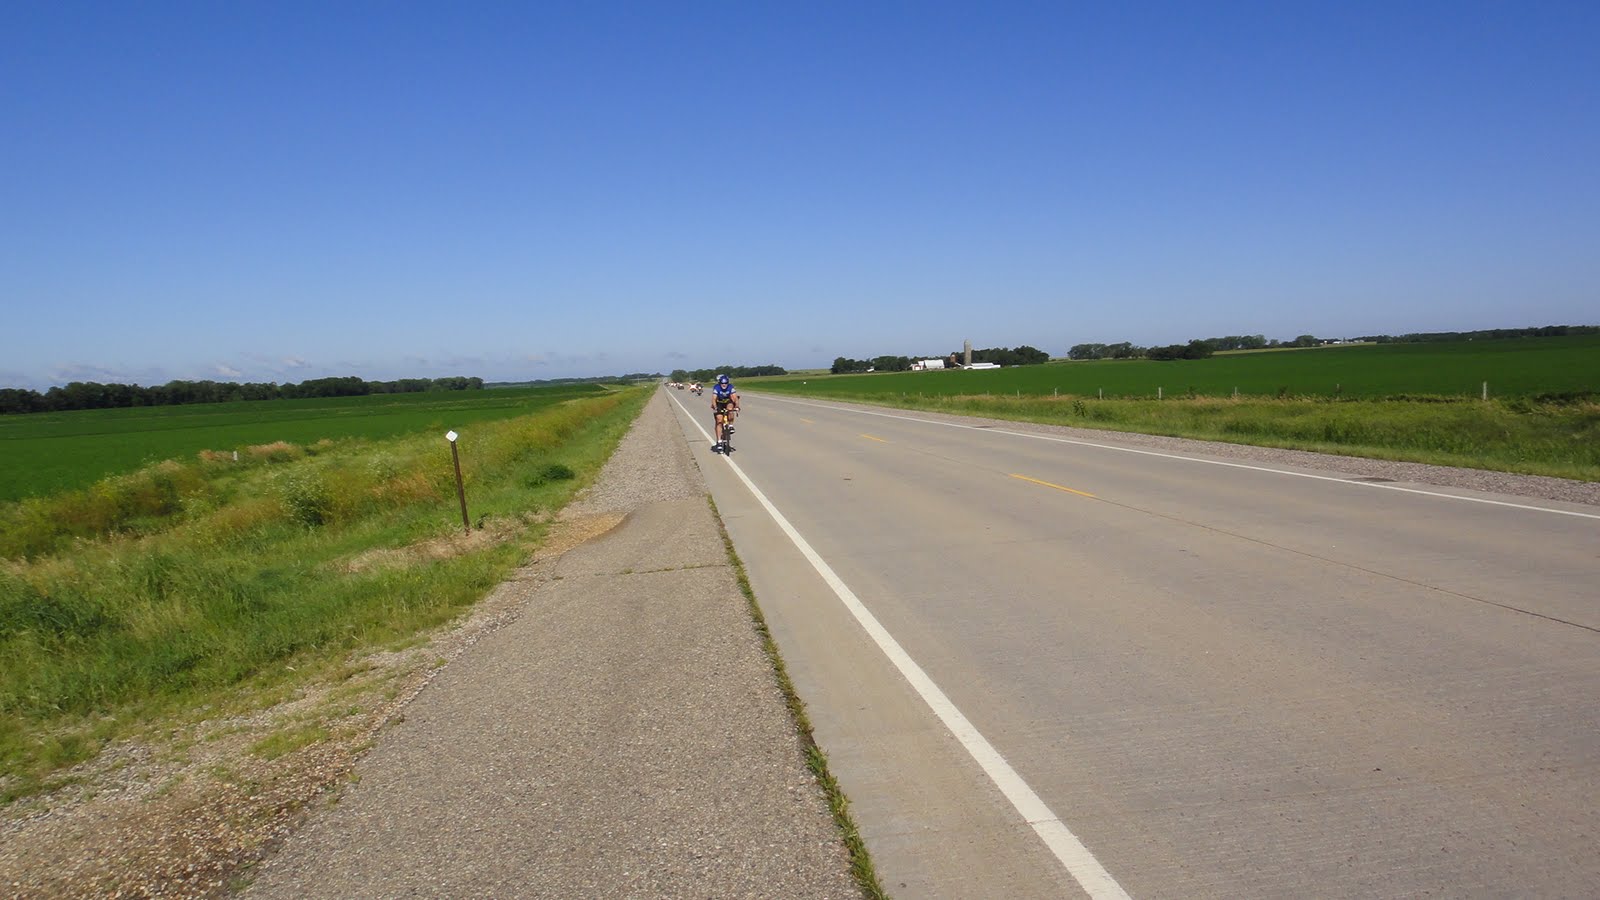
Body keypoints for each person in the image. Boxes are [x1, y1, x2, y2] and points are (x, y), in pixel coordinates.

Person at [710, 373, 739, 452]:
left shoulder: (731, 387)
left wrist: (737, 406)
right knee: (719, 420)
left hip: (728, 402)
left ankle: (730, 425)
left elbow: (735, 397)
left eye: (725, 383)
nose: (724, 385)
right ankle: (719, 441)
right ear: (720, 383)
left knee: (730, 408)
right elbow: (713, 399)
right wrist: (715, 407)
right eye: (722, 383)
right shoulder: (716, 388)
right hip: (719, 403)